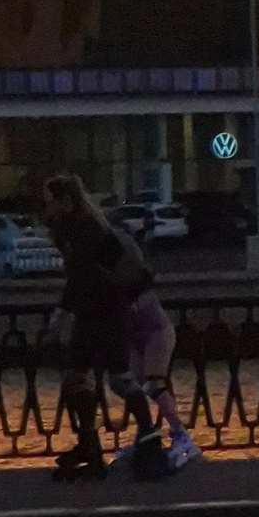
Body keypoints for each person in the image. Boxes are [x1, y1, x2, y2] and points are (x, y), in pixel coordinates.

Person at [39, 175, 197, 480]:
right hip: (92, 313)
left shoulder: (88, 231)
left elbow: (82, 278)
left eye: (50, 202)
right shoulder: (73, 230)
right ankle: (92, 444)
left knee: (119, 380)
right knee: (77, 377)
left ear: (65, 202)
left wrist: (59, 316)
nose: (47, 209)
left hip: (108, 313)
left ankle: (145, 436)